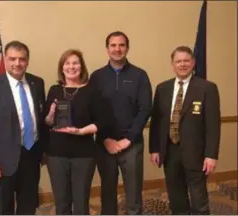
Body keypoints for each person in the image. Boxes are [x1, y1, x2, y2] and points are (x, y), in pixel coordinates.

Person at [0, 41, 47, 215]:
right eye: (12, 59)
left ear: (27, 60)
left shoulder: (37, 83)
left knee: (28, 205)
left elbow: (41, 119)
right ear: (5, 60)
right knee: (2, 207)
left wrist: (44, 150)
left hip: (31, 155)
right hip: (3, 160)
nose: (17, 63)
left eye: (22, 59)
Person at [149, 45, 221, 215]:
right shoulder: (162, 88)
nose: (182, 64)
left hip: (196, 152)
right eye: (178, 61)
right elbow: (157, 122)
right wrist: (154, 149)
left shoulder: (207, 88)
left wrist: (211, 155)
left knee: (198, 198)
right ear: (172, 64)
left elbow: (213, 125)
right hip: (170, 150)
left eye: (186, 61)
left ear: (193, 63)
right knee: (176, 197)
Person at [89, 31, 152, 215]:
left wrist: (128, 139)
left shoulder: (140, 75)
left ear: (127, 48)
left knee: (133, 195)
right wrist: (105, 139)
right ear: (107, 49)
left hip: (131, 145)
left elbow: (145, 109)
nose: (117, 49)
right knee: (107, 193)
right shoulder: (97, 77)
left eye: (121, 45)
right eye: (113, 45)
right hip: (104, 145)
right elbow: (92, 111)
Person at [45, 49, 106, 215]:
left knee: (81, 202)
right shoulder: (54, 90)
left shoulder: (92, 91)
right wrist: (51, 113)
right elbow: (47, 123)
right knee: (61, 201)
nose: (71, 67)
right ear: (62, 67)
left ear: (82, 66)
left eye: (75, 63)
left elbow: (101, 122)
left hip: (84, 154)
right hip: (56, 154)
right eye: (67, 63)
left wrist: (81, 131)